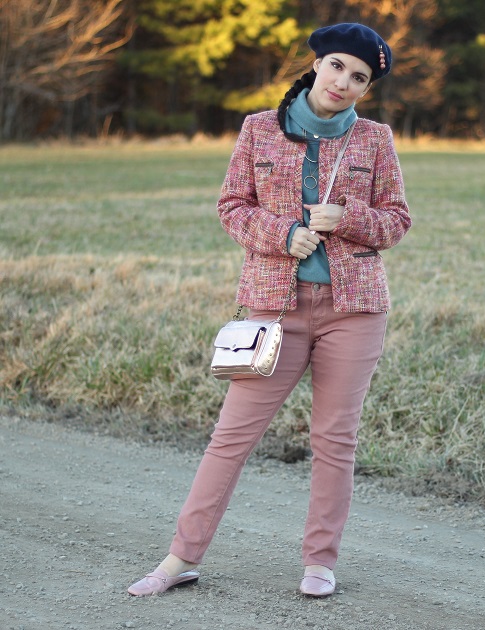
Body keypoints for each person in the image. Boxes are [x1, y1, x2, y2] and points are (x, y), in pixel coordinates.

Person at [128, 22, 411, 598]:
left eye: (359, 77)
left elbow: (397, 221)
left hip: (354, 310)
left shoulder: (375, 141)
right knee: (231, 436)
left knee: (335, 440)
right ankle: (180, 559)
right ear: (317, 64)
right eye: (337, 66)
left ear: (366, 87)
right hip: (272, 311)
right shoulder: (259, 129)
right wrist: (282, 233)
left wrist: (349, 220)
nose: (344, 82)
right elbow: (232, 206)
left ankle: (320, 561)